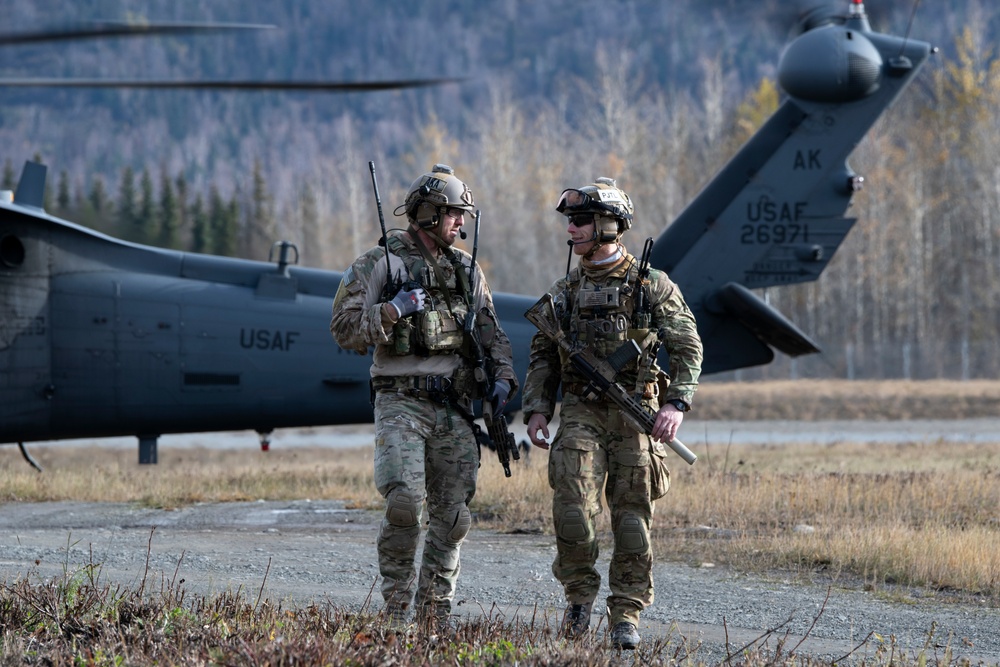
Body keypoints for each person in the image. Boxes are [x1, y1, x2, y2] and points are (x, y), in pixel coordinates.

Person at [330, 164, 518, 631]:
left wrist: (502, 381)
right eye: (454, 214)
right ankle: (396, 611)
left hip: (453, 408)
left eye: (463, 215)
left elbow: (493, 335)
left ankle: (435, 615)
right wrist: (392, 311)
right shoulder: (380, 264)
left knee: (454, 516)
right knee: (403, 503)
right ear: (429, 213)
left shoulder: (466, 270)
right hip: (401, 402)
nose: (461, 224)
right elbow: (343, 330)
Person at [522, 177, 702, 650]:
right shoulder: (564, 291)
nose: (572, 230)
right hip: (581, 410)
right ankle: (579, 600)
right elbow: (542, 355)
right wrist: (538, 409)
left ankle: (626, 613)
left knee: (631, 519)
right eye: (570, 222)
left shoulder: (651, 286)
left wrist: (676, 403)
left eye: (580, 221)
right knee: (573, 511)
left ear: (608, 225)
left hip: (635, 413)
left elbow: (687, 345)